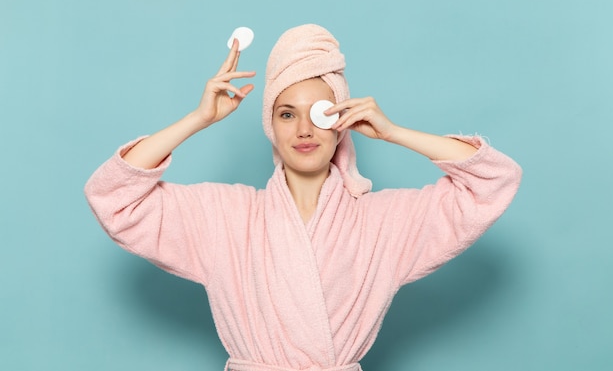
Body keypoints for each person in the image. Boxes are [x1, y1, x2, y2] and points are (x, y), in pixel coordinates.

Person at [85, 24, 522, 371]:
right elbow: (114, 198)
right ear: (270, 126)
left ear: (342, 121)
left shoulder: (384, 223)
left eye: (322, 112)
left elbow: (494, 180)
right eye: (286, 113)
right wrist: (197, 119)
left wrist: (395, 133)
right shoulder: (226, 217)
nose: (304, 130)